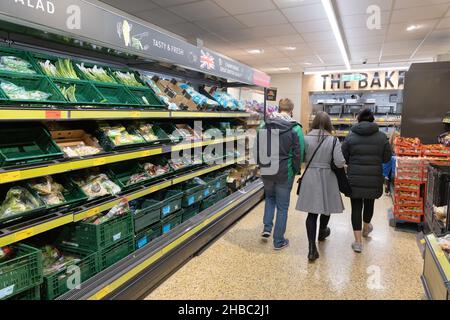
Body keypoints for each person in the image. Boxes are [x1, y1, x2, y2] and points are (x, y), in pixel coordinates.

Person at [296, 112, 346, 262]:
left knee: (311, 214)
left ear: (314, 123)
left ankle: (312, 249)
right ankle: (322, 232)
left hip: (310, 176)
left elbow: (302, 158)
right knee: (326, 207)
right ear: (329, 124)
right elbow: (339, 162)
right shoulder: (333, 140)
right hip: (328, 177)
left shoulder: (305, 138)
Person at [255, 98, 304, 250]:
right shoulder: (295, 129)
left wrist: (260, 166)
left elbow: (257, 148)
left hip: (267, 170)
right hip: (285, 171)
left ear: (278, 108)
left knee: (269, 198)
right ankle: (278, 241)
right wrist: (296, 171)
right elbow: (299, 153)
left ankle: (267, 228)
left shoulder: (263, 125)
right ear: (291, 111)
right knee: (282, 207)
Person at [342, 109, 392, 253]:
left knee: (356, 207)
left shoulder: (350, 137)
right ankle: (366, 228)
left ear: (358, 120)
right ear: (372, 120)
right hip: (373, 177)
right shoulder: (382, 137)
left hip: (355, 178)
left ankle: (358, 242)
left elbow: (343, 157)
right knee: (369, 202)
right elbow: (386, 158)